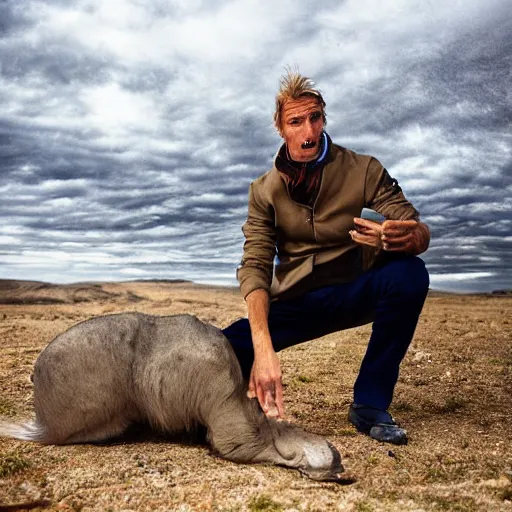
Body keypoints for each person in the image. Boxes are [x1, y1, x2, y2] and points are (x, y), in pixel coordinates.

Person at [222, 70, 430, 445]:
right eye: (296, 122)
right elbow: (255, 263)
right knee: (218, 349)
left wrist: (399, 236)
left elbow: (415, 228)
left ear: (324, 118)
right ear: (281, 128)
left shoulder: (363, 169)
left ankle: (369, 404)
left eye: (315, 118)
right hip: (299, 300)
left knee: (409, 274)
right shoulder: (263, 191)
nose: (309, 132)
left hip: (357, 286)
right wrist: (262, 348)